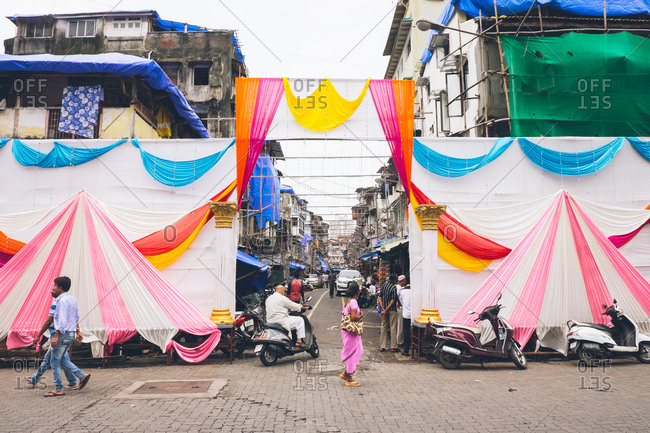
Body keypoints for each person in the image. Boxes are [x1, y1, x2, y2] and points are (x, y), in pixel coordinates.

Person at [22, 295, 82, 391]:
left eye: (55, 287)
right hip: (59, 335)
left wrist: (41, 336)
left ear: (60, 288)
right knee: (49, 360)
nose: (52, 290)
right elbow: (74, 318)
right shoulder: (68, 301)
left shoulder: (59, 303)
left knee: (59, 361)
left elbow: (49, 321)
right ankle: (34, 379)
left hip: (58, 336)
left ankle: (76, 378)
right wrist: (78, 331)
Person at [43, 277, 90, 397]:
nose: (53, 288)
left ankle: (58, 388)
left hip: (63, 333)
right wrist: (78, 331)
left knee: (54, 361)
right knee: (62, 358)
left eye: (55, 285)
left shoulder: (61, 301)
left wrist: (56, 336)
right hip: (71, 333)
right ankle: (81, 375)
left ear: (60, 288)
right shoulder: (72, 299)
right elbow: (76, 316)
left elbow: (61, 320)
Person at [340, 282, 363, 387]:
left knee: (359, 350)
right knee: (352, 352)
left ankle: (346, 373)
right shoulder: (353, 302)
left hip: (349, 331)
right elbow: (353, 317)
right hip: (351, 332)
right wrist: (361, 316)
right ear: (357, 292)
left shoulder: (348, 301)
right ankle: (349, 377)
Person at [378, 274, 400, 353]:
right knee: (393, 327)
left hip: (384, 310)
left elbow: (380, 297)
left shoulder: (384, 286)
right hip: (392, 310)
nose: (397, 280)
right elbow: (392, 300)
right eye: (396, 279)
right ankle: (393, 347)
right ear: (394, 280)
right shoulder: (394, 288)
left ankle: (382, 346)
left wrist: (383, 309)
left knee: (384, 327)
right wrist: (386, 309)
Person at [397, 275, 412, 356]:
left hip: (406, 314)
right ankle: (416, 349)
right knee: (415, 332)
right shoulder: (415, 290)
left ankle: (406, 350)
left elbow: (401, 301)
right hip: (414, 315)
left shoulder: (402, 291)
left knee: (406, 332)